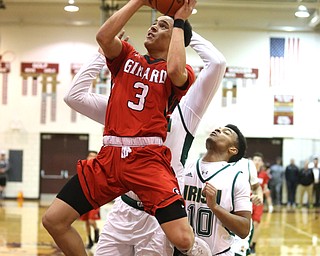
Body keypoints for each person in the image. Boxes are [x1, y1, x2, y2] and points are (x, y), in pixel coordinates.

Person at [41, 0, 209, 255]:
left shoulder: (182, 72)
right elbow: (104, 37)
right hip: (109, 157)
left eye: (162, 26)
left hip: (147, 159)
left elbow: (175, 67)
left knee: (184, 240)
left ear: (176, 37)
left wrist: (179, 20)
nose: (153, 28)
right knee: (53, 220)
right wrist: (139, 1)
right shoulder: (127, 57)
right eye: (154, 23)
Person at [182, 124, 251, 256]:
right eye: (218, 129)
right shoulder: (185, 167)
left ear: (233, 150)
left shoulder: (237, 178)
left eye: (226, 132)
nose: (218, 130)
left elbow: (244, 229)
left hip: (219, 253)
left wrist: (214, 206)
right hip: (180, 251)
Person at [231, 157, 263, 256]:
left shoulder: (248, 164)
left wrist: (259, 197)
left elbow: (257, 187)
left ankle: (253, 245)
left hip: (242, 214)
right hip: (221, 216)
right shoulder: (217, 162)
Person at [249, 152, 270, 255]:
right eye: (255, 159)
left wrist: (266, 190)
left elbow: (265, 187)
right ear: (252, 161)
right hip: (248, 200)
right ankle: (245, 244)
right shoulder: (247, 172)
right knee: (246, 224)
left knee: (256, 224)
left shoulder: (264, 175)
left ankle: (253, 245)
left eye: (259, 160)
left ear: (262, 163)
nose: (257, 162)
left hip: (258, 202)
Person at [79, 150, 100, 249]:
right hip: (84, 198)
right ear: (87, 157)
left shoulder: (99, 169)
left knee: (91, 221)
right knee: (86, 222)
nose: (92, 157)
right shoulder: (83, 169)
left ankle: (96, 230)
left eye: (94, 156)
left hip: (95, 199)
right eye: (90, 156)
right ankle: (90, 240)